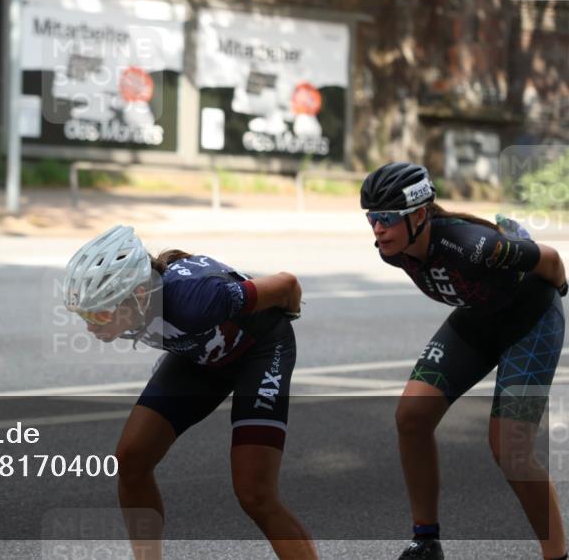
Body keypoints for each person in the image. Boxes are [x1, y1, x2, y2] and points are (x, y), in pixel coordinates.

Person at [62, 225, 318, 560]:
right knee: (131, 459)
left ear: (138, 294)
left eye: (99, 313)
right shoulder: (143, 302)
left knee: (255, 494)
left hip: (261, 351)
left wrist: (282, 321)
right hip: (201, 353)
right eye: (84, 314)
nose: (90, 325)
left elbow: (287, 284)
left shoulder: (196, 299)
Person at [360, 162, 568, 560]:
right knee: (411, 416)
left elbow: (553, 261)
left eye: (387, 218)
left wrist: (560, 291)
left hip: (532, 322)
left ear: (419, 214)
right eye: (372, 218)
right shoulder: (395, 251)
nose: (377, 229)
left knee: (510, 447)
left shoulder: (475, 246)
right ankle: (426, 542)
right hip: (479, 318)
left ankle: (556, 554)